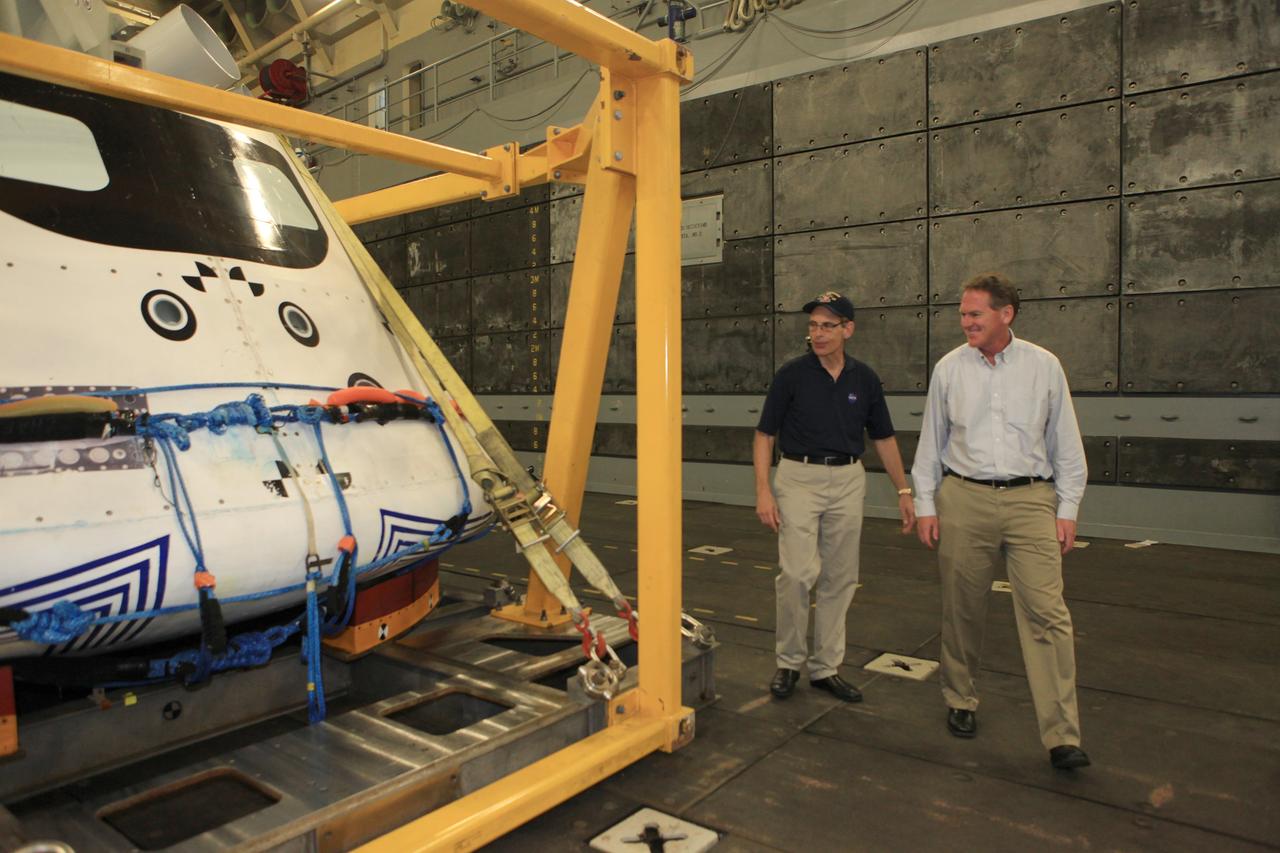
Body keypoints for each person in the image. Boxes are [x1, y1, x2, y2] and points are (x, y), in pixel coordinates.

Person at [912, 272, 1090, 770]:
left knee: (1047, 614)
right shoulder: (950, 369)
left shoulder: (1044, 367)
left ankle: (1062, 736)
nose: (965, 322)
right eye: (963, 314)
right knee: (962, 607)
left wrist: (1068, 509)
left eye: (975, 314)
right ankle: (960, 699)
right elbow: (931, 442)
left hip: (1033, 500)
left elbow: (1066, 444)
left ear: (1005, 314)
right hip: (962, 498)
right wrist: (926, 504)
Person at [754, 290, 915, 703]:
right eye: (813, 325)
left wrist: (904, 490)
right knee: (796, 574)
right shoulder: (792, 375)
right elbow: (764, 434)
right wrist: (763, 491)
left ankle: (826, 668)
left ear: (848, 330)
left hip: (847, 479)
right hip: (798, 477)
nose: (818, 333)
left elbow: (883, 438)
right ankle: (789, 662)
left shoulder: (864, 379)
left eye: (828, 325)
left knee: (840, 578)